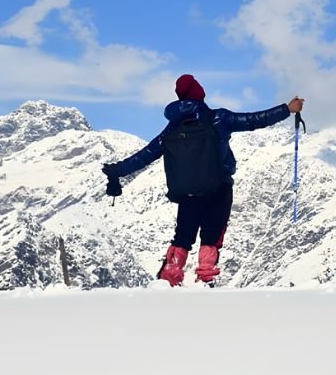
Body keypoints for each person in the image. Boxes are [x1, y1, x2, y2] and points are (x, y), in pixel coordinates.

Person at [103, 74, 304, 287]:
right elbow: (254, 120)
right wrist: (287, 109)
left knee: (183, 236)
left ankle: (169, 277)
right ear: (200, 93)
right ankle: (205, 278)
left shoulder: (171, 129)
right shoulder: (218, 119)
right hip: (218, 186)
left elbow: (144, 155)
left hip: (187, 191)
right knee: (212, 234)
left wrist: (118, 171)